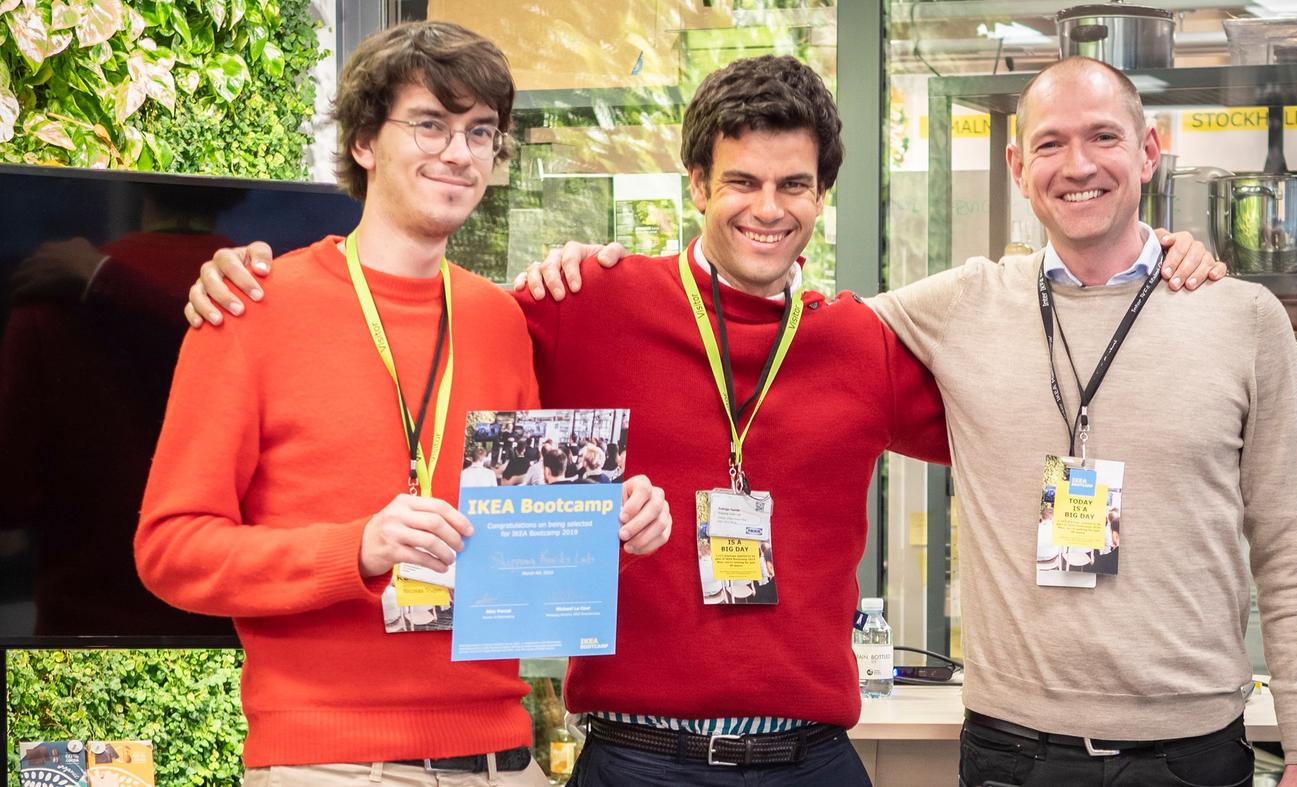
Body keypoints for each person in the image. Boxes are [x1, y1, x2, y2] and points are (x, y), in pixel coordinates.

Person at [179, 56, 1221, 785]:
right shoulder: (572, 304)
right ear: (694, 184)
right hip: (630, 756)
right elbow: (413, 311)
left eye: (793, 186)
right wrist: (238, 267)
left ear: (822, 197)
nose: (766, 207)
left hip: (811, 758)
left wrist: (1140, 272)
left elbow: (1016, 419)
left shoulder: (857, 338)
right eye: (740, 182)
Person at [134, 21, 669, 786]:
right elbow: (169, 549)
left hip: (501, 761)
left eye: (480, 131)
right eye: (430, 124)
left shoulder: (500, 319)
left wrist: (607, 528)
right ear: (362, 142)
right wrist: (356, 549)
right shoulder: (252, 306)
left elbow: (517, 551)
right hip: (330, 764)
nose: (459, 151)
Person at [866, 58, 1297, 786]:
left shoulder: (1241, 318)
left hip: (1192, 752)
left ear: (1149, 152)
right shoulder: (964, 305)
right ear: (1020, 167)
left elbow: (1293, 549)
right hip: (1012, 752)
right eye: (1050, 144)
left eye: (1103, 137)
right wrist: (621, 276)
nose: (1078, 165)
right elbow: (795, 336)